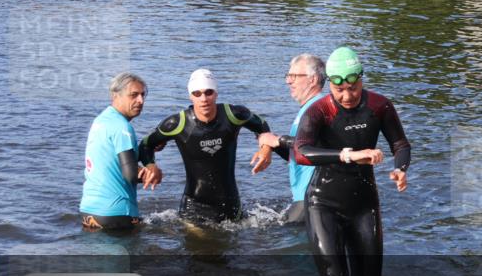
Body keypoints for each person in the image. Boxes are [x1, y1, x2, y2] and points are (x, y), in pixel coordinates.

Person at [294, 47, 411, 276]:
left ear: (361, 80)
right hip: (323, 202)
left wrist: (400, 168)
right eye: (340, 91)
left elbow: (400, 144)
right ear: (330, 86)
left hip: (364, 204)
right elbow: (301, 151)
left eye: (353, 88)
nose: (347, 96)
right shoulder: (319, 110)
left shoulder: (379, 106)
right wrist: (348, 155)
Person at [138, 68, 275, 223]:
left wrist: (266, 148)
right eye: (197, 93)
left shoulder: (234, 115)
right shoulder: (177, 123)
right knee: (198, 244)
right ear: (190, 96)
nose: (203, 99)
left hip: (230, 202)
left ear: (216, 93)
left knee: (233, 244)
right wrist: (150, 165)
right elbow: (145, 144)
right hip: (193, 204)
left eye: (208, 92)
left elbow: (262, 126)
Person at [80, 73, 163, 230]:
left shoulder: (101, 121)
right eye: (134, 95)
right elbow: (130, 174)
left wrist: (149, 157)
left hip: (89, 212)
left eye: (142, 95)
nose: (141, 100)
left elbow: (114, 161)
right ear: (115, 95)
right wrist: (153, 175)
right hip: (117, 213)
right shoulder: (122, 127)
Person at [256, 54, 329, 224]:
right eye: (288, 76)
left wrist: (278, 140)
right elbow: (302, 154)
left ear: (313, 79)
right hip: (304, 198)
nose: (288, 81)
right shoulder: (308, 108)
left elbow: (317, 147)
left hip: (313, 199)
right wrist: (271, 146)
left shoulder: (319, 108)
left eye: (294, 76)